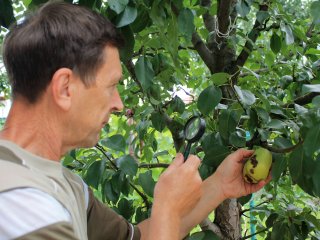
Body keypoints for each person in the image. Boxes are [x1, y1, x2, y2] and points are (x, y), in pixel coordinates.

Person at [0, 2, 270, 240]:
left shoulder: (65, 185)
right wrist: (166, 208)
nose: (119, 103)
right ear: (65, 88)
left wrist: (219, 186)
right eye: (111, 85)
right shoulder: (18, 201)